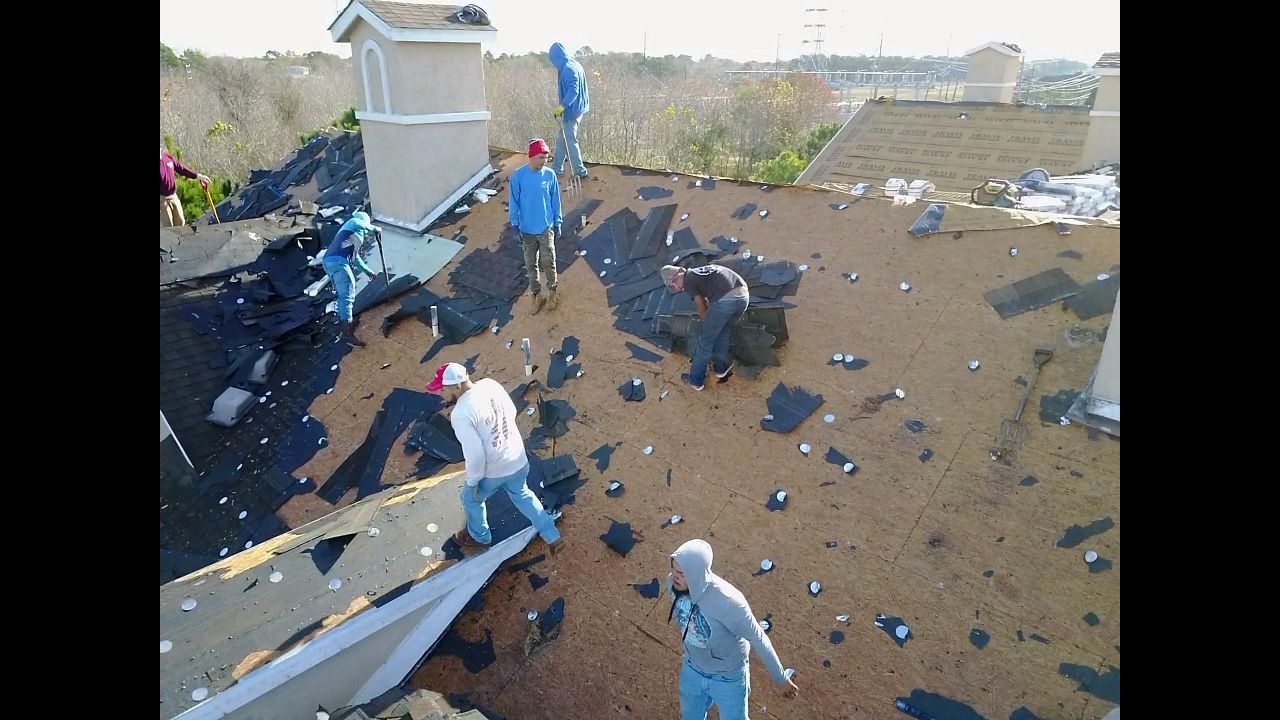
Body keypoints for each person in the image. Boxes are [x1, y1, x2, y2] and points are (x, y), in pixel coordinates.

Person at [427, 362, 564, 555]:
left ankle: (480, 538)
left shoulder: (461, 414)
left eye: (442, 389)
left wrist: (473, 482)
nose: (439, 394)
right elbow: (512, 412)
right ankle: (551, 534)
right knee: (522, 494)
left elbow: (475, 455)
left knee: (470, 498)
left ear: (456, 386)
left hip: (494, 471)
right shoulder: (490, 385)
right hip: (518, 458)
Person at [667, 539, 799, 720]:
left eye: (682, 573)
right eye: (674, 569)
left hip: (727, 677)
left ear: (696, 574)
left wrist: (781, 679)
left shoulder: (729, 603)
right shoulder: (673, 586)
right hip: (693, 668)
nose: (674, 576)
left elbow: (758, 638)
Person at [659, 264, 750, 390]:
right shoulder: (700, 273)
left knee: (705, 342)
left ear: (677, 274)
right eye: (673, 287)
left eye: (673, 283)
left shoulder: (688, 278)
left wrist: (706, 327)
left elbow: (702, 307)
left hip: (725, 301)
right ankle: (721, 369)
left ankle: (695, 381)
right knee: (723, 332)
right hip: (743, 298)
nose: (678, 288)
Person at [509, 139, 562, 314]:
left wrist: (558, 222)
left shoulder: (549, 175)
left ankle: (552, 292)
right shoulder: (518, 177)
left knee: (549, 261)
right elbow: (514, 203)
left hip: (545, 227)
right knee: (531, 264)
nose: (544, 161)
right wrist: (515, 225)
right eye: (541, 158)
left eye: (546, 158)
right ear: (531, 156)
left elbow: (555, 201)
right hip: (526, 230)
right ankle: (536, 295)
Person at [322, 210, 381, 347]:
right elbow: (357, 222)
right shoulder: (353, 224)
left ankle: (345, 321)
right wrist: (375, 228)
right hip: (338, 262)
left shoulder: (351, 234)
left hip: (330, 262)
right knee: (347, 294)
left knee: (343, 295)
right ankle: (347, 333)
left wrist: (369, 273)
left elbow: (355, 258)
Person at [549, 42, 591, 179]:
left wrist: (562, 107)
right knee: (562, 139)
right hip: (578, 108)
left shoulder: (568, 69)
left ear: (556, 57)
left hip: (572, 111)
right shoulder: (575, 64)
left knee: (570, 140)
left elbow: (574, 90)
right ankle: (556, 168)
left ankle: (579, 171)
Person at [160, 145, 210, 227]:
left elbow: (181, 169)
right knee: (168, 227)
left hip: (173, 196)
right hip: (162, 200)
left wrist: (198, 176)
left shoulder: (167, 157)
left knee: (181, 223)